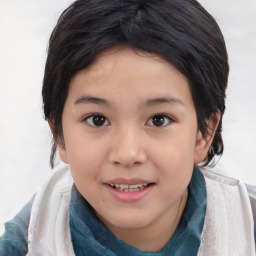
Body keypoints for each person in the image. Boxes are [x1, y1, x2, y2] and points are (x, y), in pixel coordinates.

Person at [0, 0, 255, 255]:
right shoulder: (26, 245)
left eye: (159, 120)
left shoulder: (247, 228)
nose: (127, 154)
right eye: (97, 119)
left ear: (204, 133)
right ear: (60, 135)